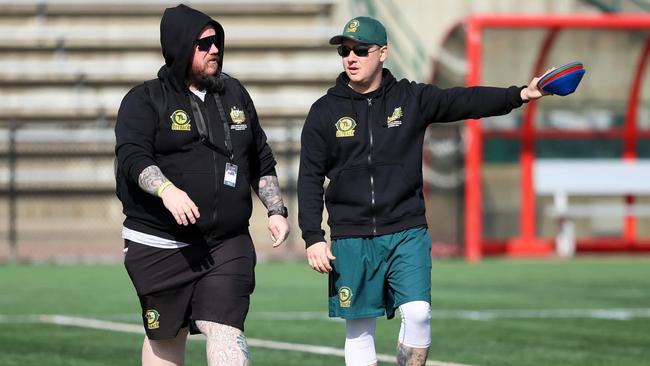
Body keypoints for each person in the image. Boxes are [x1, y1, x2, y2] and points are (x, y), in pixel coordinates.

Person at [298, 16, 548, 366]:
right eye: (344, 50)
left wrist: (519, 94)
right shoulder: (324, 111)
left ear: (383, 53)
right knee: (359, 329)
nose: (351, 57)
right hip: (351, 235)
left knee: (417, 314)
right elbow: (309, 177)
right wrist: (313, 236)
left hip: (406, 230)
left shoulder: (411, 98)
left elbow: (465, 100)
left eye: (360, 50)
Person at [114, 4, 289, 365]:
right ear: (180, 48)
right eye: (204, 43)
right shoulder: (144, 100)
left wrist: (275, 209)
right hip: (161, 245)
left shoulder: (235, 95)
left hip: (227, 242)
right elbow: (132, 157)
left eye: (217, 42)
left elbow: (260, 158)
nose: (215, 50)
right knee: (166, 338)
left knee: (225, 328)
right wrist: (167, 190)